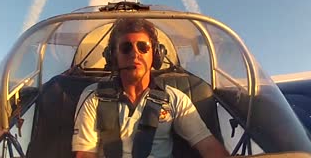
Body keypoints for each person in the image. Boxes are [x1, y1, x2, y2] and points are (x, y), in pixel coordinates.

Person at [72, 18, 230, 158]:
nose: (135, 55)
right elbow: (85, 153)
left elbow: (208, 145)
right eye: (126, 48)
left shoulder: (175, 99)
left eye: (143, 47)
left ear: (155, 55)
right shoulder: (94, 96)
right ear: (113, 56)